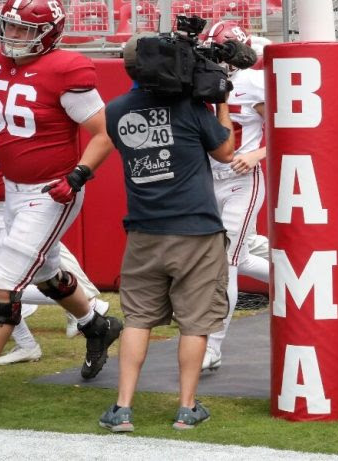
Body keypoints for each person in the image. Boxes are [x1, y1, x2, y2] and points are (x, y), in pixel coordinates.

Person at [0, 0, 122, 412]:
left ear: (49, 33)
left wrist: (78, 175)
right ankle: (96, 324)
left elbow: (103, 133)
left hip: (52, 190)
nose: (11, 37)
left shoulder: (67, 69)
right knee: (47, 273)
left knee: (5, 280)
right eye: (8, 28)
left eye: (22, 31)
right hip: (11, 188)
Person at [99, 33, 234, 432]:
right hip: (196, 231)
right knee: (195, 323)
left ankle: (122, 408)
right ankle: (186, 408)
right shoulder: (191, 108)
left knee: (138, 319)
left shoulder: (115, 111)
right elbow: (225, 153)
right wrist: (220, 100)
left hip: (144, 230)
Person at [198, 21, 270, 372]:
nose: (215, 59)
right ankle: (291, 278)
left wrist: (259, 154)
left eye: (221, 52)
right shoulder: (199, 80)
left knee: (225, 262)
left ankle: (213, 346)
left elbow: (287, 128)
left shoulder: (253, 83)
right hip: (208, 179)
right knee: (230, 257)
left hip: (243, 179)